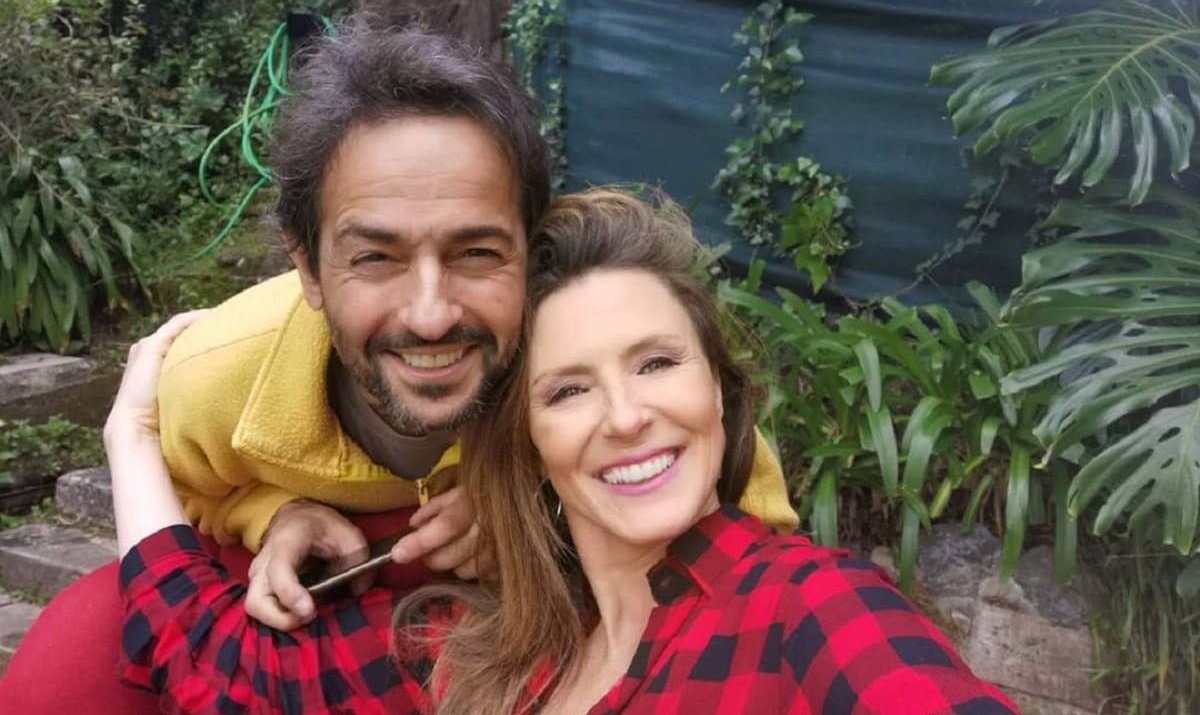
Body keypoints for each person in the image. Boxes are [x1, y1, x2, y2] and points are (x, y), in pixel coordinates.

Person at [0, 24, 796, 712]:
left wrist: (534, 509)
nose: (431, 314)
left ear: (531, 248)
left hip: (540, 608)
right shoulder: (213, 377)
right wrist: (273, 511)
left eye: (476, 252)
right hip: (336, 604)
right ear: (308, 267)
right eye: (375, 257)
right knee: (74, 655)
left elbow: (741, 529)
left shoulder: (597, 350)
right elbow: (192, 498)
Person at [112, 188, 1018, 714]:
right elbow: (230, 673)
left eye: (656, 363)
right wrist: (134, 442)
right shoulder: (485, 646)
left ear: (718, 387)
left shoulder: (807, 608)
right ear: (527, 444)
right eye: (568, 390)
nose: (625, 417)